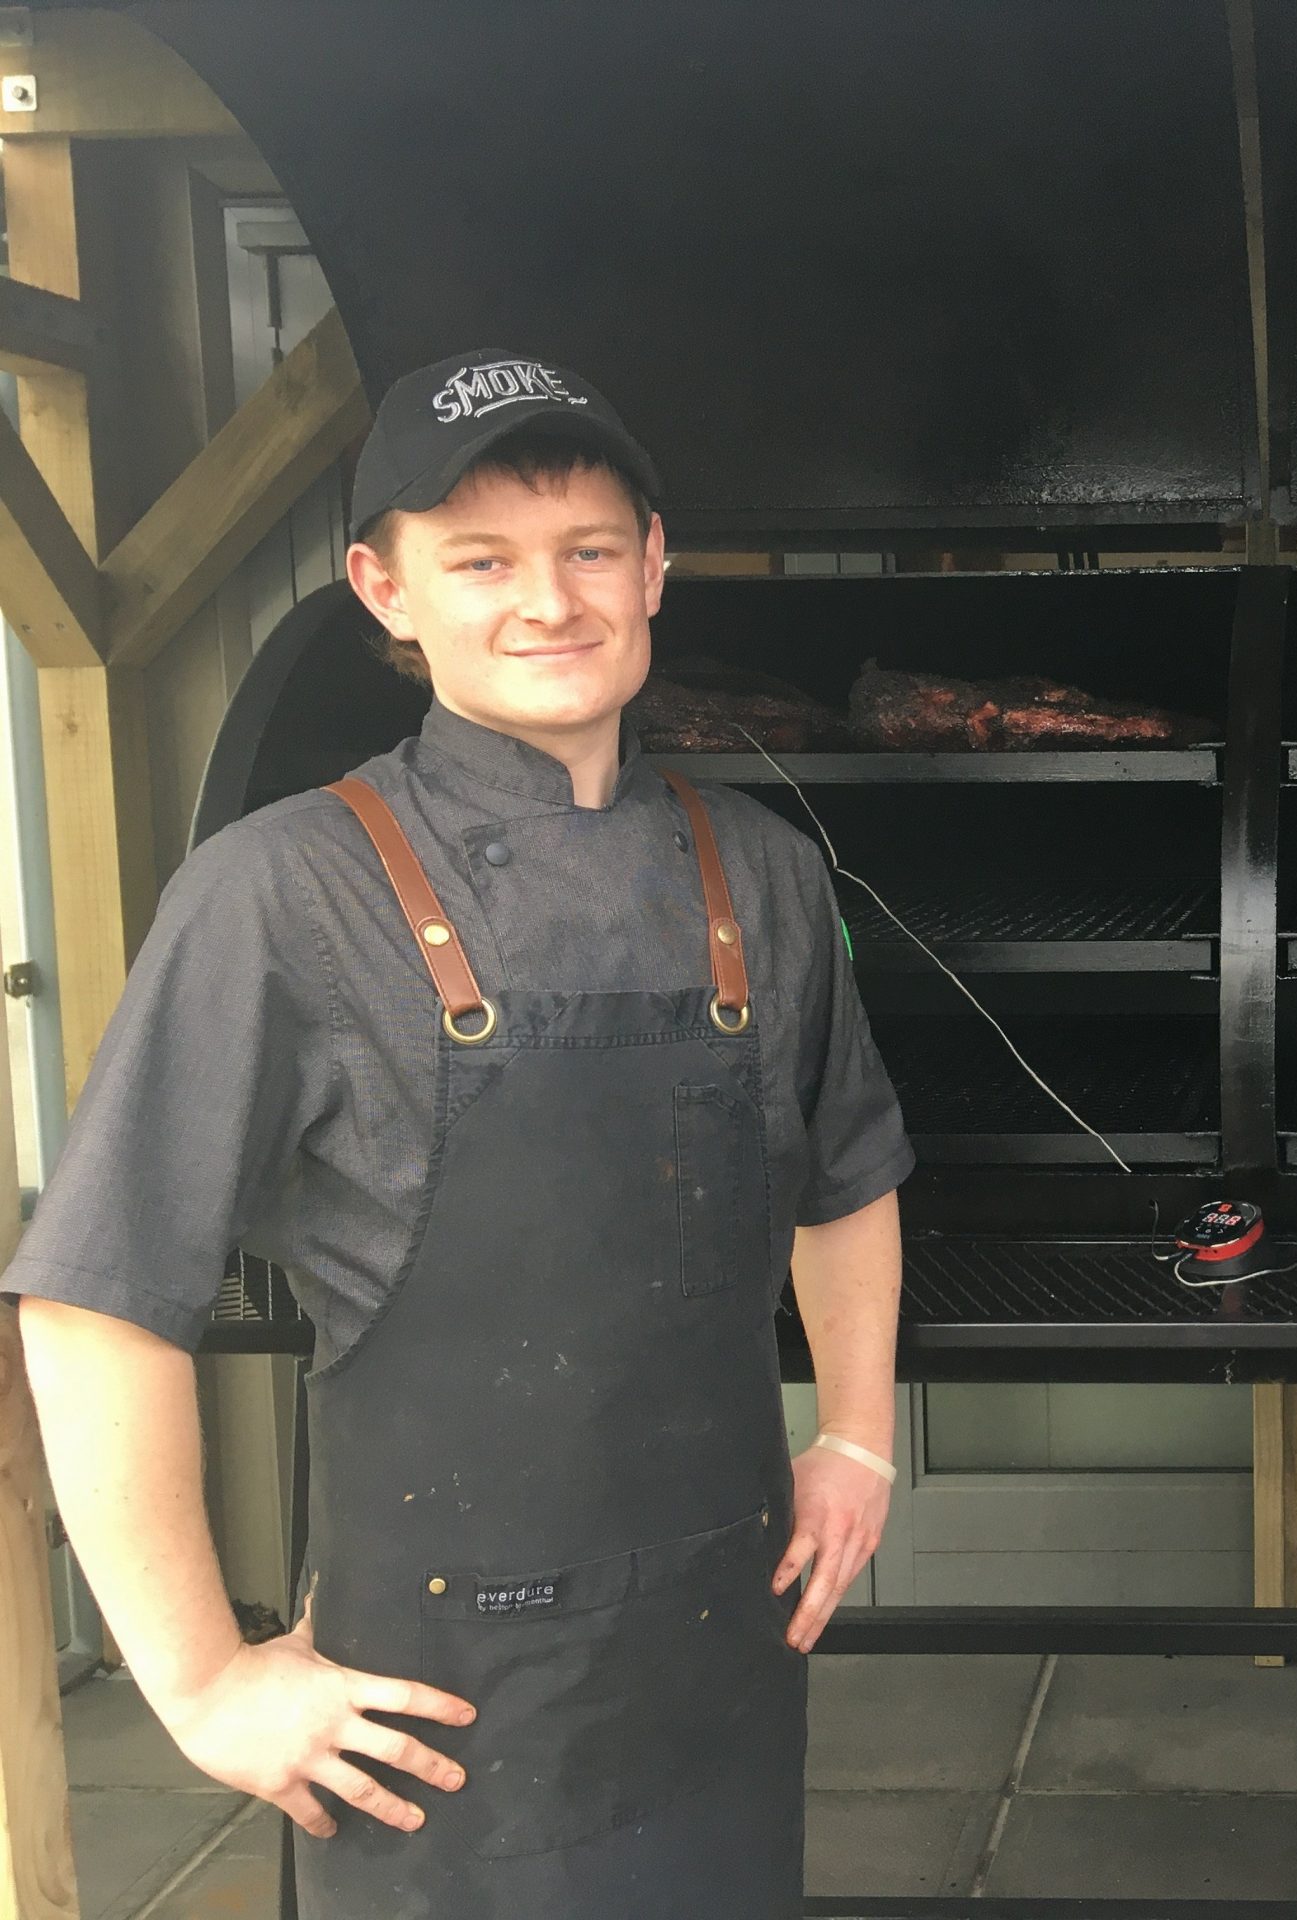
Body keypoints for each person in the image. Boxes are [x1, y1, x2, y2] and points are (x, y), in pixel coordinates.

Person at [9, 350, 913, 1918]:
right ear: (385, 590)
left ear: (654, 569)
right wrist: (203, 1682)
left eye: (588, 551)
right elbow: (95, 1302)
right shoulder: (281, 894)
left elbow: (846, 1178)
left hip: (719, 1650)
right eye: (480, 561)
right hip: (436, 1712)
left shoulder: (755, 871)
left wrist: (853, 1436)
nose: (547, 601)